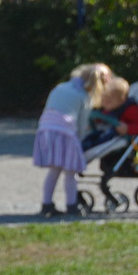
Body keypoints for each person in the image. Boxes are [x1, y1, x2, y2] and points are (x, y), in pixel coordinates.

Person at [34, 62, 112, 216]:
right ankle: (72, 206)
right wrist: (82, 141)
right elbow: (82, 124)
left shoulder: (60, 87)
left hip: (45, 129)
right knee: (71, 172)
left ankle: (46, 204)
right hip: (65, 133)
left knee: (54, 170)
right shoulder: (84, 96)